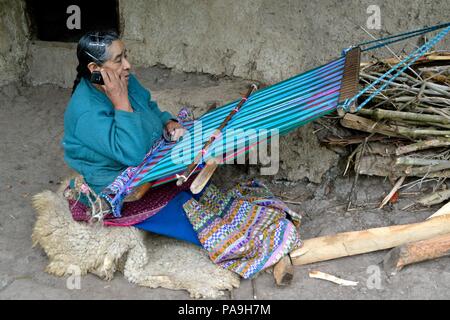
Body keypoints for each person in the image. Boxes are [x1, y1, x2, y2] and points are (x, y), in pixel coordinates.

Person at [62, 30, 200, 245]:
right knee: (192, 219)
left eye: (125, 55)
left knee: (197, 177)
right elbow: (133, 155)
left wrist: (167, 121)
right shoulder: (86, 112)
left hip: (151, 158)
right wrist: (120, 102)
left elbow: (148, 105)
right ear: (94, 69)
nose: (127, 65)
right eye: (118, 60)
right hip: (119, 181)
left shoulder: (124, 79)